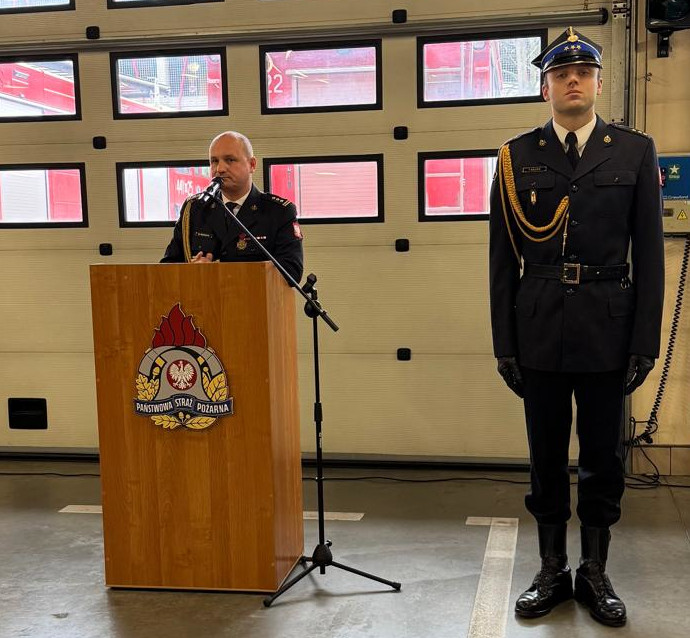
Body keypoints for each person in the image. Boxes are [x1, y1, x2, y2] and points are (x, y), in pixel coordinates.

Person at [489, 28, 664, 627]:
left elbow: (650, 255)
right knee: (544, 455)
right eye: (561, 74)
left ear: (597, 83)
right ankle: (551, 568)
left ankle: (593, 570)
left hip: (608, 328)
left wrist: (644, 341)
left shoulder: (634, 151)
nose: (573, 81)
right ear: (545, 88)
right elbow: (501, 260)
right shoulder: (515, 156)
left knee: (603, 456)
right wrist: (504, 343)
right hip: (538, 326)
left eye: (583, 73)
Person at [161, 131, 304, 283]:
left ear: (252, 165)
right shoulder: (195, 208)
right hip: (204, 297)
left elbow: (292, 272)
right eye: (214, 161)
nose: (220, 169)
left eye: (230, 160)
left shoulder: (278, 212)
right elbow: (167, 267)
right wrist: (191, 271)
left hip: (254, 297)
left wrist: (220, 274)